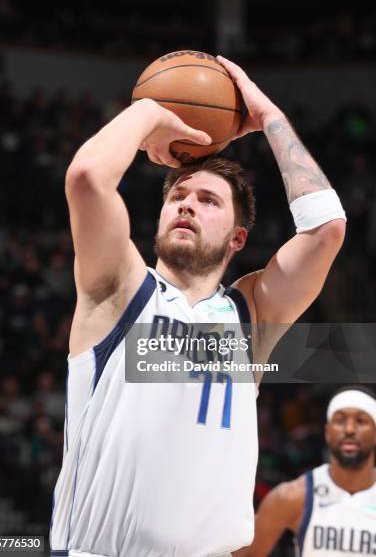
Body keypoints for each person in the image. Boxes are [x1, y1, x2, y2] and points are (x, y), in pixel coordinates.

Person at [49, 54, 346, 557]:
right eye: (178, 195)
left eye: (208, 201)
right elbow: (87, 179)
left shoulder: (250, 316)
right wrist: (151, 113)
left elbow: (326, 231)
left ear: (238, 238)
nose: (186, 203)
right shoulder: (119, 288)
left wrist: (266, 113)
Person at [232, 386, 376, 557]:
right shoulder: (294, 496)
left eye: (361, 421)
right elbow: (245, 554)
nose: (349, 429)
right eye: (340, 420)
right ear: (328, 432)